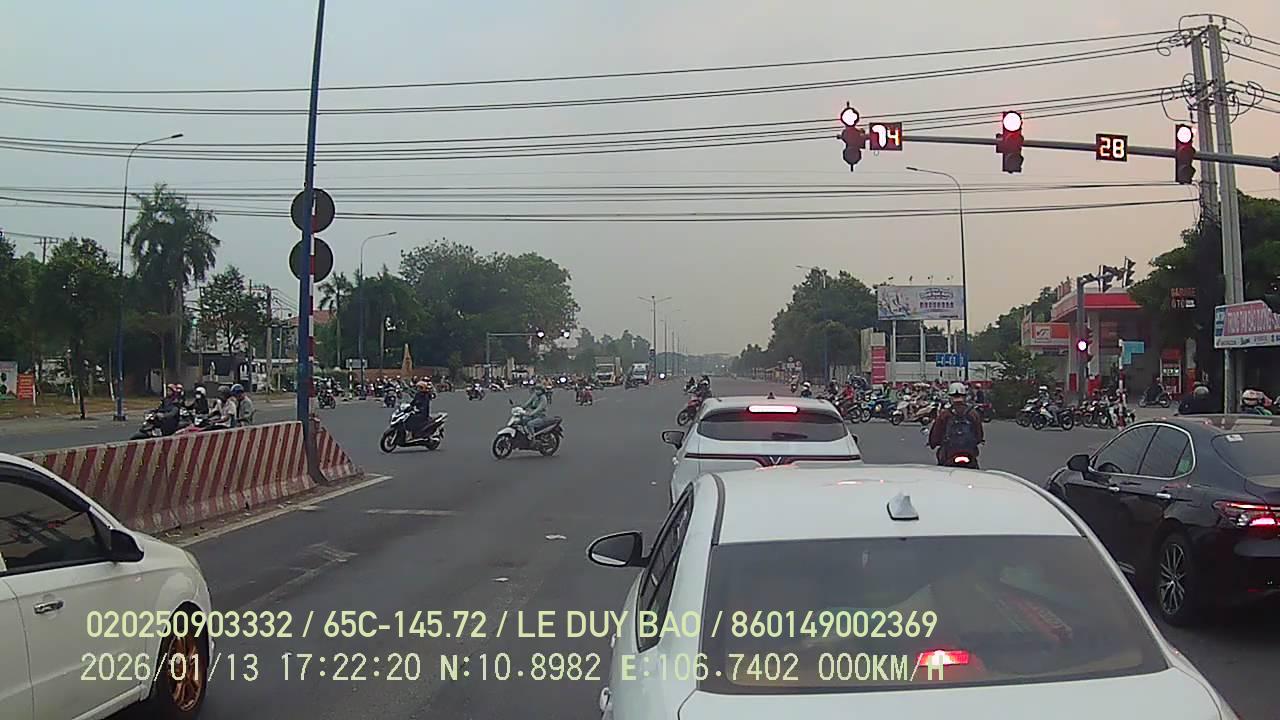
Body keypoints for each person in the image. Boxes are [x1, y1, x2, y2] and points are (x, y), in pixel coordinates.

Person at [927, 382, 985, 468]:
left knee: (942, 469)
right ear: (964, 396)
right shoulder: (973, 413)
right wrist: (978, 440)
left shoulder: (945, 414)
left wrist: (933, 443)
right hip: (969, 451)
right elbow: (979, 433)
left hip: (949, 452)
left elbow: (936, 432)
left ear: (950, 397)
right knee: (974, 469)